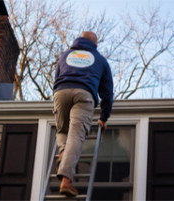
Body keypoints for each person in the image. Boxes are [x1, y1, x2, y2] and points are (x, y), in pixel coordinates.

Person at [53, 31, 114, 196]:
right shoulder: (100, 60)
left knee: (62, 130)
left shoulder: (65, 55)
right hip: (84, 95)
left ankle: (63, 153)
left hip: (61, 92)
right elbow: (107, 93)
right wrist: (103, 117)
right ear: (95, 45)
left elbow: (56, 77)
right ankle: (66, 180)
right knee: (76, 136)